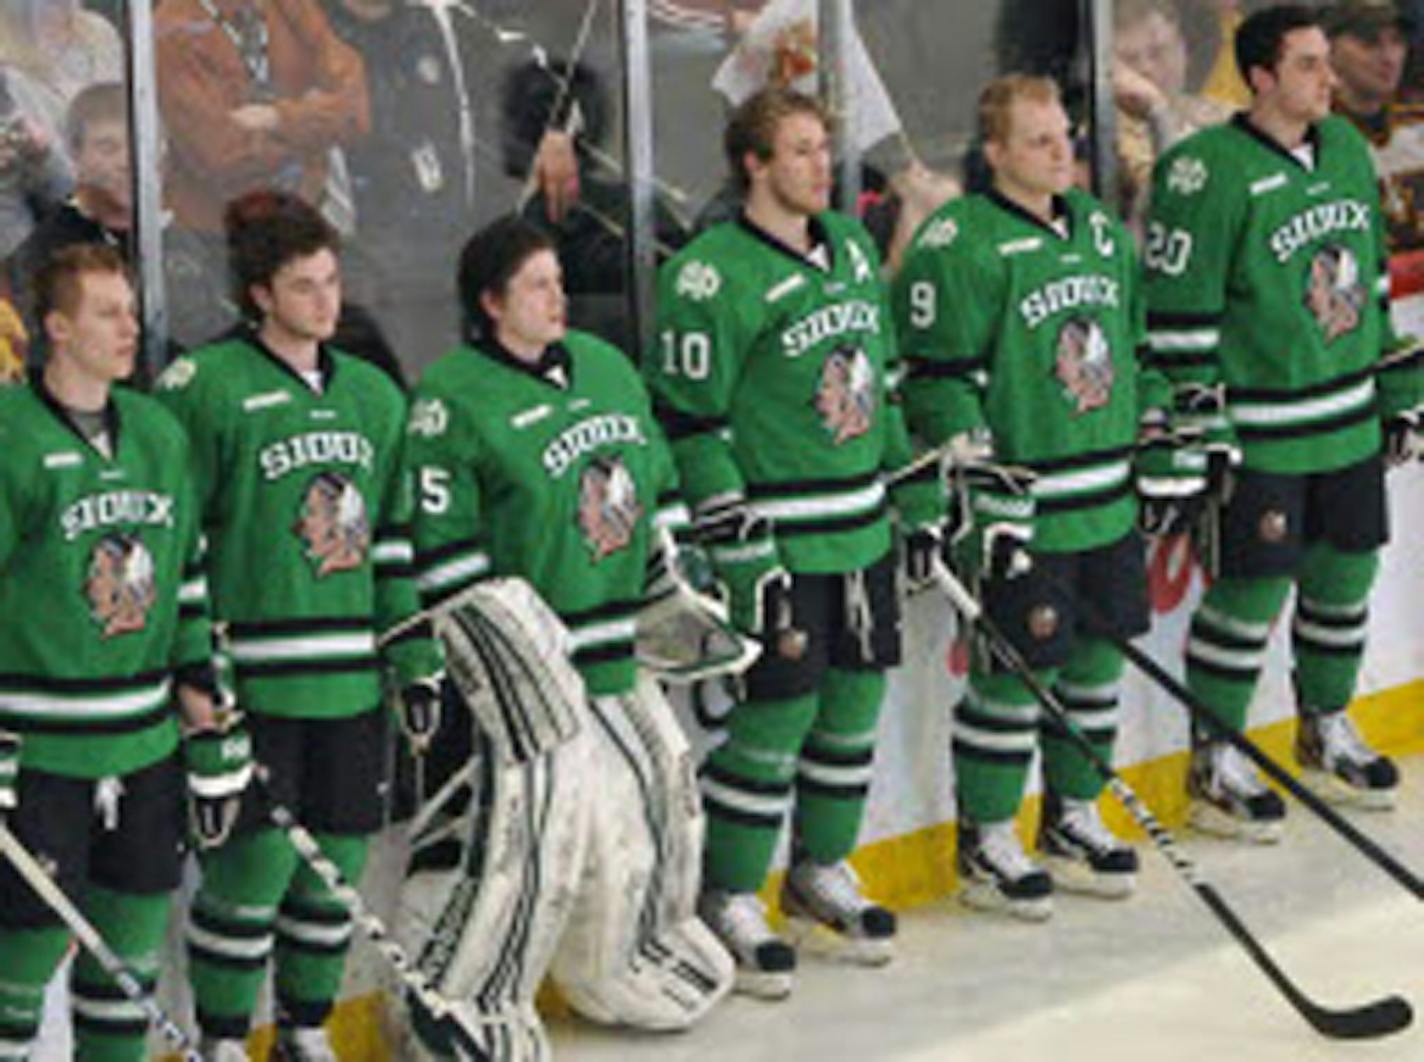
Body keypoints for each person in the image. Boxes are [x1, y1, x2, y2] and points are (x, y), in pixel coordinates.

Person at [402, 214, 732, 1056]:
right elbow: (444, 555)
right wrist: (495, 659)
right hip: (522, 676)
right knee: (533, 836)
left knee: (664, 791)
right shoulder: (450, 399)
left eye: (558, 281)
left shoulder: (607, 367)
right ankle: (457, 998)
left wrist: (680, 584)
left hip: (616, 651)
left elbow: (654, 484)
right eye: (537, 286)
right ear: (490, 302)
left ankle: (632, 954)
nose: (559, 299)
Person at [646, 87, 940, 998]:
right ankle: (728, 893)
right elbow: (688, 425)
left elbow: (879, 387)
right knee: (775, 719)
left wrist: (917, 493)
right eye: (802, 151)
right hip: (780, 538)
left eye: (825, 148)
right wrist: (734, 541)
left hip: (860, 530)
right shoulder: (709, 274)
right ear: (754, 165)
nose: (823, 165)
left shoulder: (852, 246)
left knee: (853, 709)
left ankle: (819, 871)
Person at [154, 189, 442, 1061]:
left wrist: (414, 651)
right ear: (259, 295)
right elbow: (175, 543)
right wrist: (195, 668)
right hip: (255, 684)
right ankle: (224, 1039)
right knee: (253, 872)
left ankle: (307, 1032)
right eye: (304, 285)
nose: (326, 299)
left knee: (338, 870)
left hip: (351, 678)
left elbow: (394, 540)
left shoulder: (372, 395)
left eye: (331, 280)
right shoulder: (202, 390)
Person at [894, 74, 1173, 920]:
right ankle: (986, 838)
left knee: (1094, 669)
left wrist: (1156, 429)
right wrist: (982, 487)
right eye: (1043, 141)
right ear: (996, 154)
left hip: (1106, 496)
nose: (1064, 153)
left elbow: (1132, 344)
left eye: (1068, 138)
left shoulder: (1095, 227)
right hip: (1027, 507)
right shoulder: (957, 243)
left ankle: (1073, 816)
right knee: (1015, 680)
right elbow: (935, 383)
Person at [1144, 4, 1420, 840]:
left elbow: (1369, 284)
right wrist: (1200, 427)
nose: (1327, 80)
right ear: (1260, 77)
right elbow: (1176, 320)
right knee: (1250, 593)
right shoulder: (1205, 172)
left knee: (1345, 580)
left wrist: (1394, 389)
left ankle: (1324, 724)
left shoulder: (1342, 148)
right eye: (1307, 65)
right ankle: (1216, 758)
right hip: (1263, 429)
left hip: (1343, 421)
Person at [0, 243, 240, 1061]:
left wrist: (201, 681)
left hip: (145, 744)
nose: (129, 326)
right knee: (23, 952)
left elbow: (186, 574)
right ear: (56, 327)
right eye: (107, 312)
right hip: (38, 749)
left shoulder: (159, 433)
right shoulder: (8, 435)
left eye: (132, 309)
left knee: (130, 950)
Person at [153, 0, 370, 237]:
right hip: (220, 237)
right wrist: (315, 123)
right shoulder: (172, 26)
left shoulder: (292, 6)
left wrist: (277, 117)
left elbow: (356, 114)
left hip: (306, 214)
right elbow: (223, 156)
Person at [1326, 1, 1424, 348]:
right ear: (1329, 48)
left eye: (1396, 41)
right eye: (1370, 43)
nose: (1389, 56)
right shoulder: (1308, 138)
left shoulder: (1419, 121)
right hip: (1355, 319)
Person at [1114, 0, 1230, 227]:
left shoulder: (1223, 113)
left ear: (1182, 49)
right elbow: (1175, 194)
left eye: (1158, 52)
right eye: (1130, 59)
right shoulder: (1106, 133)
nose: (1146, 68)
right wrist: (1157, 109)